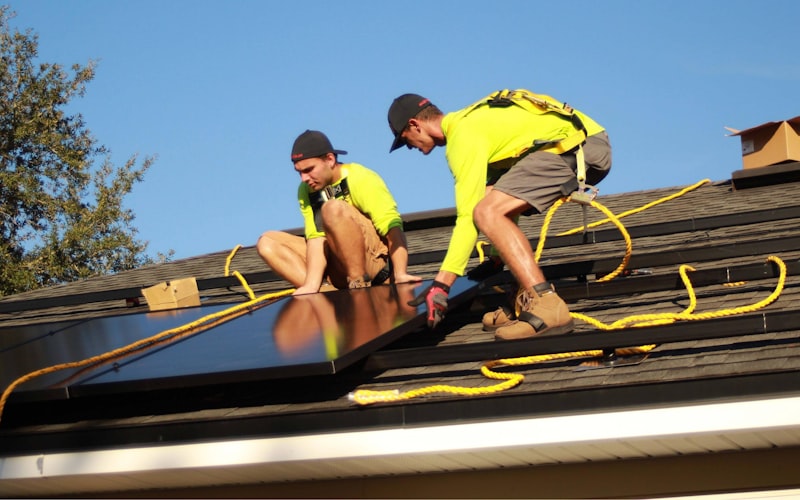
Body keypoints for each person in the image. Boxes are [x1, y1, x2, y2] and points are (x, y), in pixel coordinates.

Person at [387, 89, 611, 340]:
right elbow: (501, 188)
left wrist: (441, 285)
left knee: (484, 212)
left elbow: (469, 217)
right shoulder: (472, 123)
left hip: (575, 147)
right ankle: (523, 298)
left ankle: (547, 305)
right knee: (489, 199)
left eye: (404, 140)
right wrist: (495, 258)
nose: (409, 148)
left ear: (414, 124)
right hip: (580, 142)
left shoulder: (463, 136)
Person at [257, 130, 420, 295]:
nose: (304, 178)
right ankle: (325, 293)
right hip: (338, 270)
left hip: (373, 265)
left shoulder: (359, 177)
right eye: (299, 172)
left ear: (330, 159)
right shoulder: (306, 191)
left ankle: (359, 283)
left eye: (309, 170)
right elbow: (315, 238)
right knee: (267, 242)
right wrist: (311, 285)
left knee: (332, 208)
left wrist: (400, 274)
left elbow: (391, 225)